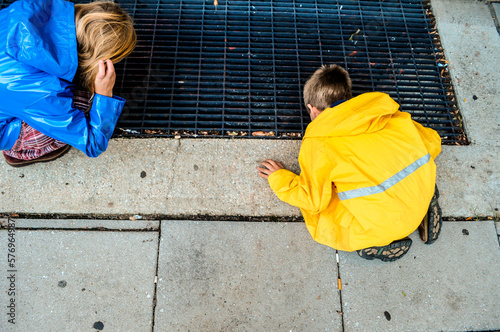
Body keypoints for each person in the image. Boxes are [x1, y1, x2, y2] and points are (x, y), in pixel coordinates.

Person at [258, 65, 442, 262]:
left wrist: (279, 178)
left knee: (327, 219)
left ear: (312, 109)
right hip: (419, 193)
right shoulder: (385, 114)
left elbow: (312, 200)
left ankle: (375, 245)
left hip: (384, 227)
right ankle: (426, 204)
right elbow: (432, 142)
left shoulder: (319, 142)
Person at [0, 0, 136, 167]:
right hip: (14, 109)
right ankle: (20, 152)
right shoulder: (44, 91)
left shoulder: (31, 6)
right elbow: (93, 143)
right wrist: (104, 93)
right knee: (83, 103)